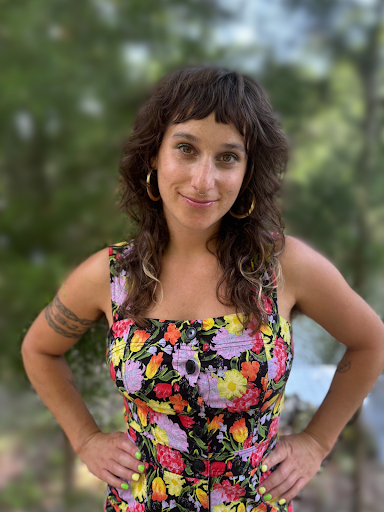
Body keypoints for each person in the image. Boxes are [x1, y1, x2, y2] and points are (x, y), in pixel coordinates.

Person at [21, 66, 384, 512]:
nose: (203, 180)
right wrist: (86, 438)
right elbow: (39, 349)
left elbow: (371, 342)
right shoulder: (113, 274)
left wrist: (316, 441)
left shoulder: (282, 267)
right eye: (186, 149)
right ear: (154, 154)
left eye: (228, 157)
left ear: (248, 170)